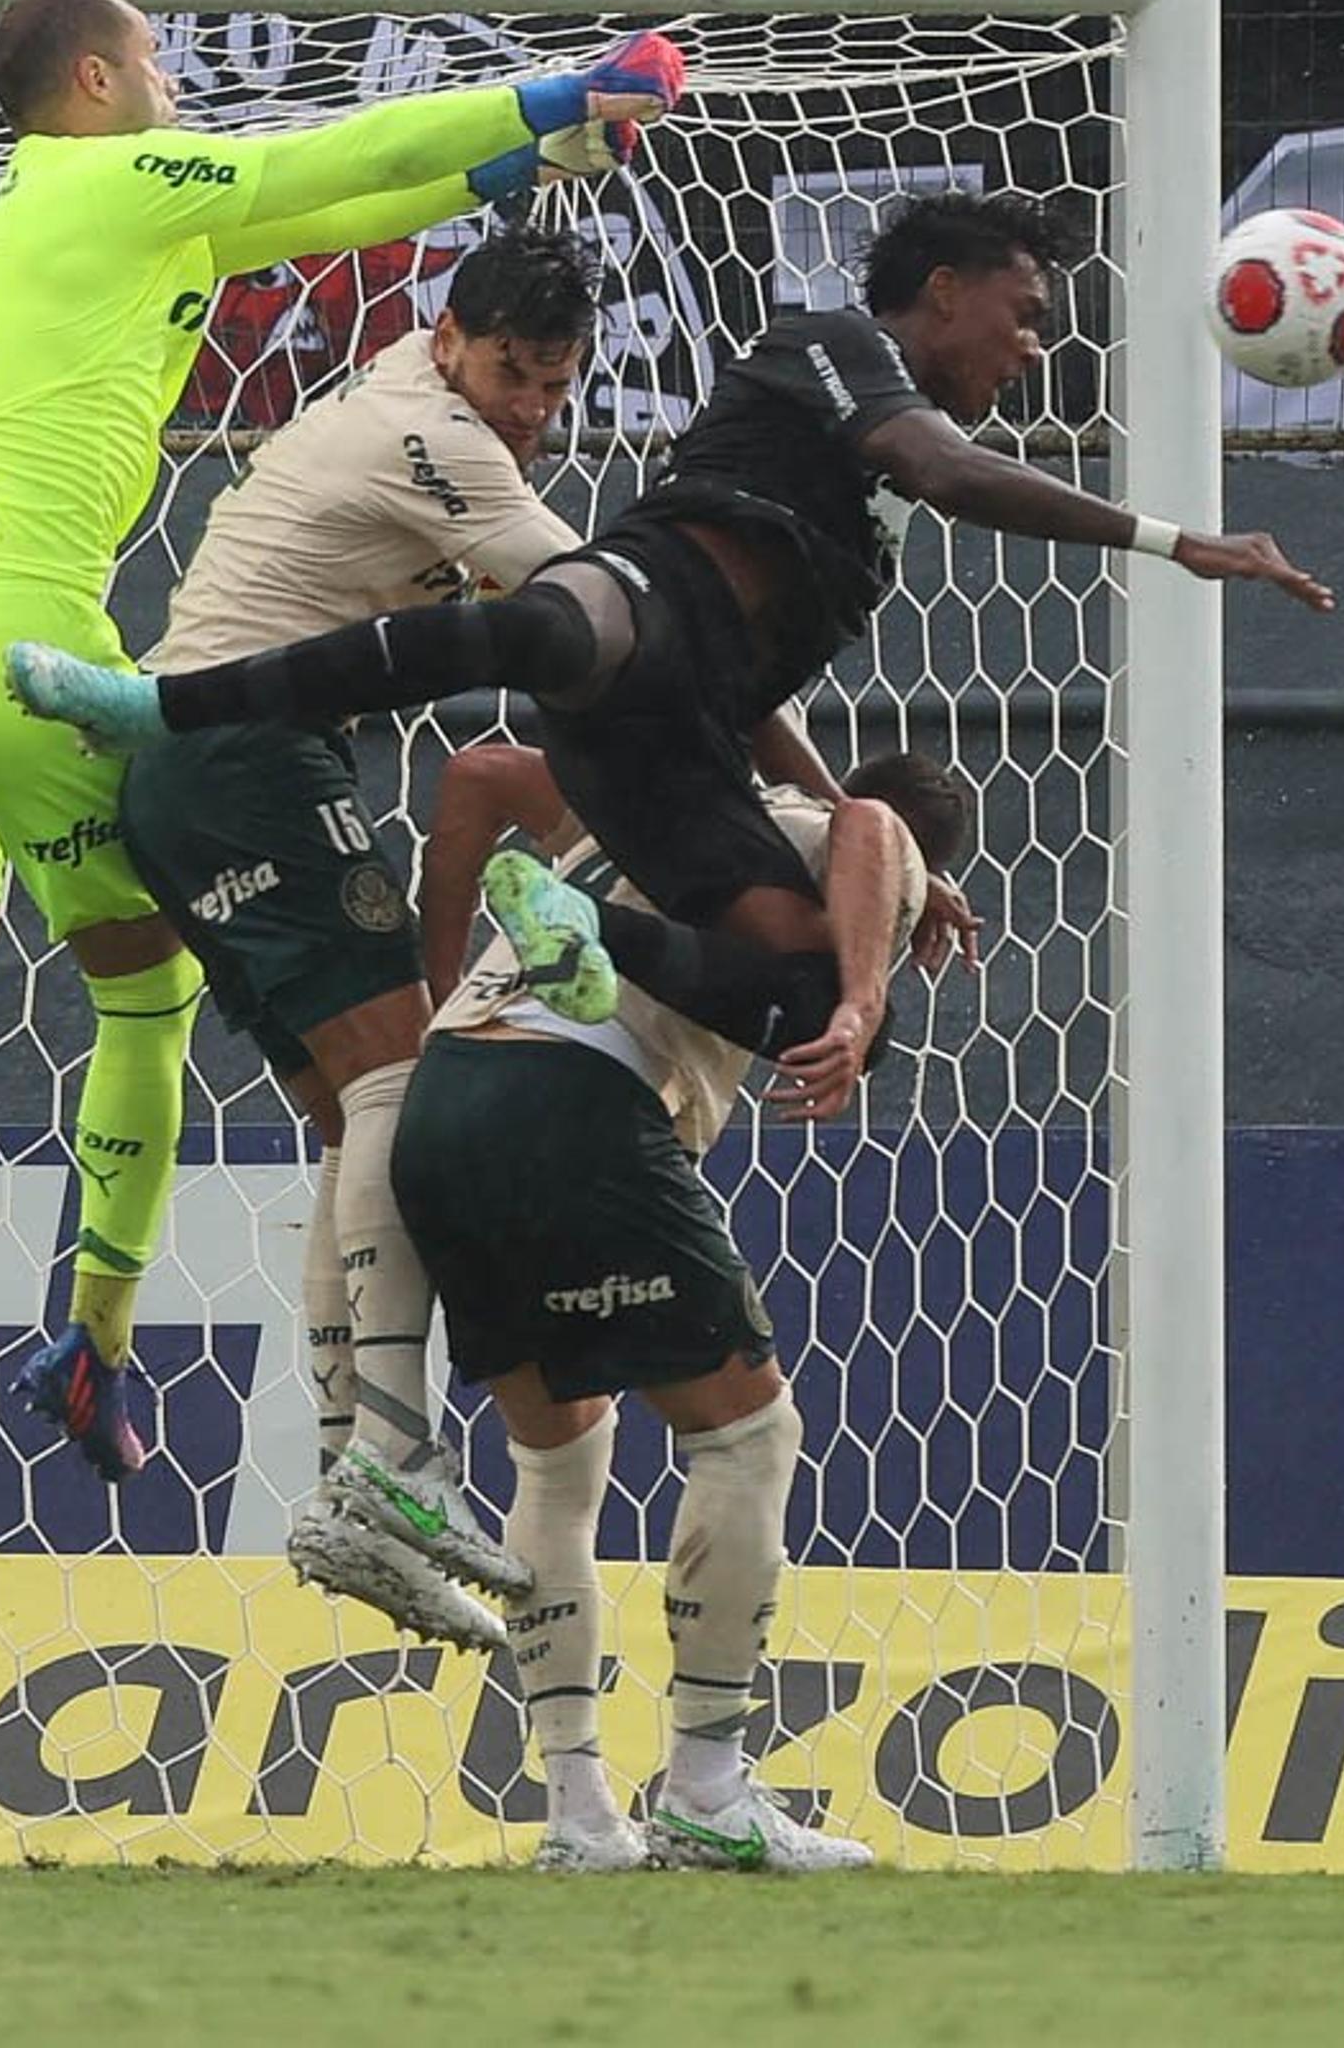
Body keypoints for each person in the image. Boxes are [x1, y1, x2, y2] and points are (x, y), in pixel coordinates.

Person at [0, 0, 688, 1481]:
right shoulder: (122, 172)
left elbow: (342, 216)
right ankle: (94, 1343)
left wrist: (519, 168)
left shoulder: (56, 209)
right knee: (140, 994)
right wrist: (548, 95)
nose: (171, 84)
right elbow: (322, 160)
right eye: (152, 60)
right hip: (23, 638)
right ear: (94, 77)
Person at [8, 188, 1327, 1060]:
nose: (1034, 348)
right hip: (649, 606)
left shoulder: (874, 521)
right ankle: (151, 704)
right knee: (554, 624)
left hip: (680, 741)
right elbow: (946, 468)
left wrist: (868, 851)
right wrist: (1175, 540)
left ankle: (573, 930)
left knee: (809, 991)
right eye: (1025, 317)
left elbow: (757, 687)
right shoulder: (832, 347)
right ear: (940, 289)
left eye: (553, 382)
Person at [115, 225, 612, 1648]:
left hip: (199, 768)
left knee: (349, 1122)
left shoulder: (409, 385)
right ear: (454, 340)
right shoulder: (437, 438)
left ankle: (351, 1468)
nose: (531, 403)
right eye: (514, 369)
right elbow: (591, 611)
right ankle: (393, 1461)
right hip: (246, 757)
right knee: (406, 1085)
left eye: (558, 380)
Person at [401, 737, 970, 1873]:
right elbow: (868, 827)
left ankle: (578, 1814)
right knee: (750, 1437)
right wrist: (866, 987)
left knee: (557, 1467)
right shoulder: (843, 841)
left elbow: (478, 771)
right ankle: (708, 1788)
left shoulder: (651, 797)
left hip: (446, 1088)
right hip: (576, 1097)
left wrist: (438, 962)